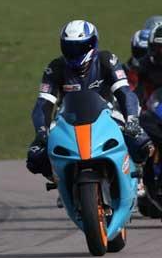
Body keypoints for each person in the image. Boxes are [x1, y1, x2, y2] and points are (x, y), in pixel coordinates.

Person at [26, 20, 151, 179]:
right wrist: (41, 132)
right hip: (67, 120)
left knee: (142, 143)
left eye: (81, 47)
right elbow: (43, 103)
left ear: (93, 44)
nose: (75, 52)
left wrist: (132, 119)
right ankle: (60, 178)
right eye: (69, 47)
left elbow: (125, 92)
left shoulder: (107, 60)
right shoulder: (55, 68)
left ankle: (139, 176)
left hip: (109, 116)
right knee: (35, 157)